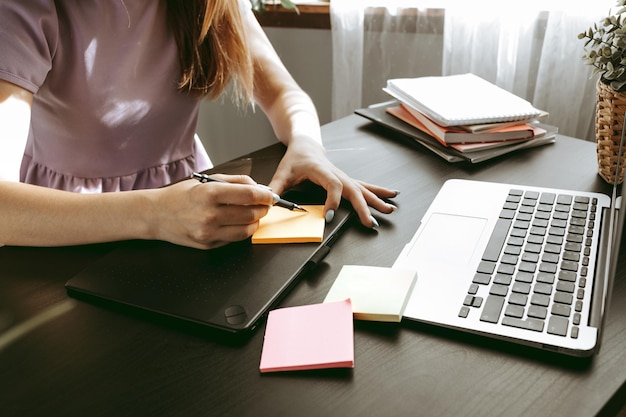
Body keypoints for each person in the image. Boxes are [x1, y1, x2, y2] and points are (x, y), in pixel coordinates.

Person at [0, 0, 398, 250]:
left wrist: (307, 144)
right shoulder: (26, 8)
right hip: (65, 228)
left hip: (195, 218)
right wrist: (157, 214)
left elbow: (284, 95)